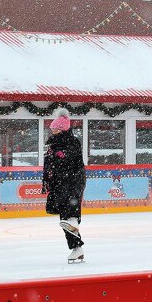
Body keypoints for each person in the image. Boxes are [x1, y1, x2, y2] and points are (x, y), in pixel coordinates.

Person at [42, 108, 87, 264]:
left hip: (73, 180)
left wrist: (58, 156)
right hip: (60, 182)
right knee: (64, 219)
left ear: (61, 129)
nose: (52, 130)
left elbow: (70, 160)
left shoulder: (72, 142)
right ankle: (76, 248)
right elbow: (50, 164)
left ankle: (74, 221)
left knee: (70, 210)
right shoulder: (54, 145)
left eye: (54, 128)